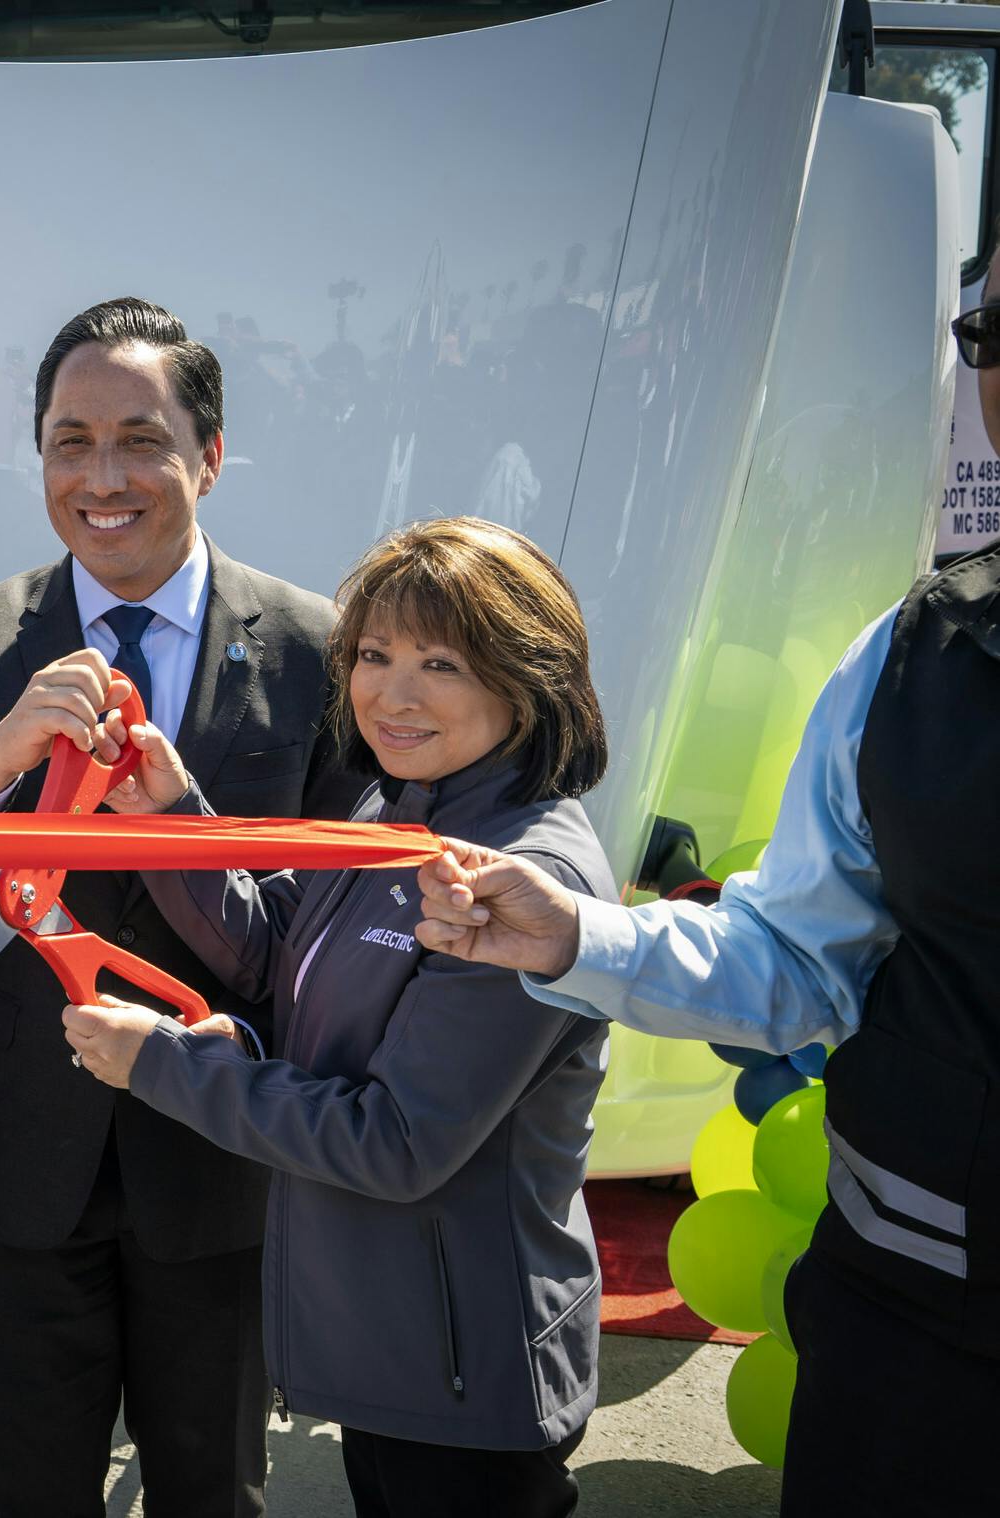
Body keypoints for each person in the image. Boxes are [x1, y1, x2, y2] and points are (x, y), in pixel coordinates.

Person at [409, 289, 1000, 1518]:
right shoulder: (907, 657)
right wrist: (578, 934)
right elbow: (796, 957)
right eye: (995, 339)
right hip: (908, 1337)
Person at [0, 296, 359, 1517]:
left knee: (211, 1487)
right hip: (17, 1152)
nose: (104, 477)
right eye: (68, 442)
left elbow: (343, 903)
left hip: (220, 1150)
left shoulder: (318, 648)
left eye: (141, 439)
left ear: (210, 455)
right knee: (31, 1491)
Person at [63, 518, 614, 1517]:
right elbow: (284, 951)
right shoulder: (398, 807)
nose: (391, 695)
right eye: (373, 654)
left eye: (441, 663)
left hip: (463, 1374)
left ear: (529, 677)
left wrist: (167, 1067)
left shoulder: (519, 876)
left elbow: (395, 1140)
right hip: (395, 1349)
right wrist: (171, 820)